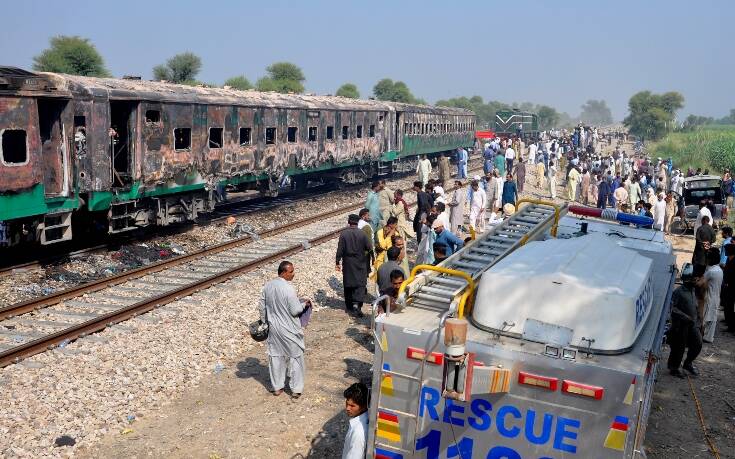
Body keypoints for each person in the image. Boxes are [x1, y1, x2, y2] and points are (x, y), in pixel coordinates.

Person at [259, 261, 308, 398]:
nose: (293, 274)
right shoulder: (288, 289)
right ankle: (296, 389)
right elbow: (295, 310)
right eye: (291, 271)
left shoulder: (267, 286)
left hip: (273, 328)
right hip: (289, 329)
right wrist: (304, 304)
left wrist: (265, 322)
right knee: (295, 357)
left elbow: (262, 307)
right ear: (283, 272)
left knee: (275, 357)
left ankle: (277, 388)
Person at [667, 264, 703, 378]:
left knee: (698, 343)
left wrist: (700, 321)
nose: (697, 280)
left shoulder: (693, 290)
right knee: (678, 348)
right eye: (695, 278)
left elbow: (696, 307)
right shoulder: (679, 292)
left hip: (692, 325)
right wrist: (684, 316)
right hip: (680, 325)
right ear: (689, 279)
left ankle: (688, 364)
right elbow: (671, 308)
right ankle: (674, 368)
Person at [336, 215, 372, 317]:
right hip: (360, 262)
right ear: (357, 222)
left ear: (349, 222)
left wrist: (337, 262)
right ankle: (357, 305)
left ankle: (349, 307)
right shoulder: (362, 234)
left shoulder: (343, 234)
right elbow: (369, 247)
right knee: (360, 283)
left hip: (348, 262)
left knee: (348, 283)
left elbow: (340, 249)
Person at [341, 382, 369, 459]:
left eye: (352, 406)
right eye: (347, 403)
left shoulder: (358, 433)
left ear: (363, 406)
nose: (347, 408)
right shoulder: (365, 418)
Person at [702, 248, 723, 343]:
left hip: (710, 296)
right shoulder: (719, 270)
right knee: (712, 317)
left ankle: (705, 337)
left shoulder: (711, 271)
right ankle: (708, 337)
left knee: (706, 317)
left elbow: (700, 283)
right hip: (716, 295)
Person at [721, 244, 735, 332]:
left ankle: (731, 325)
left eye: (726, 250)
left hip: (732, 287)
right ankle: (728, 322)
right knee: (727, 305)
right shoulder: (729, 259)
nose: (725, 251)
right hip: (728, 286)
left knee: (730, 305)